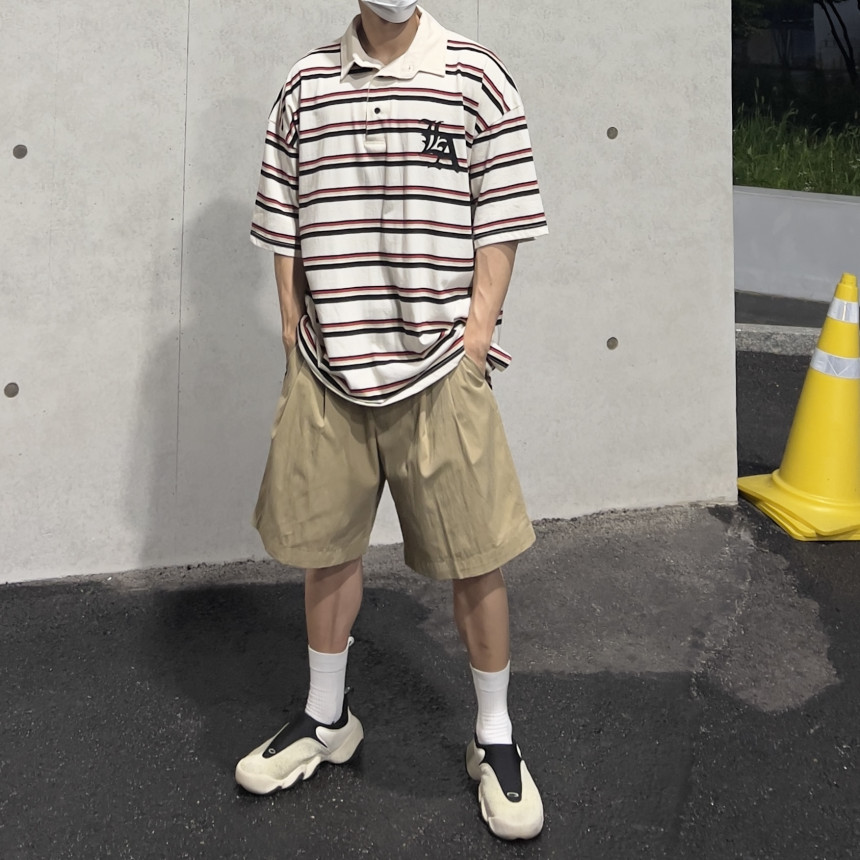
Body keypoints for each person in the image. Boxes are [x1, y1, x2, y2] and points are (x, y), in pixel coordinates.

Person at [235, 0, 548, 841]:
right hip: (328, 366)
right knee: (326, 549)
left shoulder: (476, 76)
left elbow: (505, 215)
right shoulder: (305, 84)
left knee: (475, 557)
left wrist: (477, 336)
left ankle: (495, 737)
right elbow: (282, 218)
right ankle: (326, 718)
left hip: (441, 367)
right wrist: (296, 333)